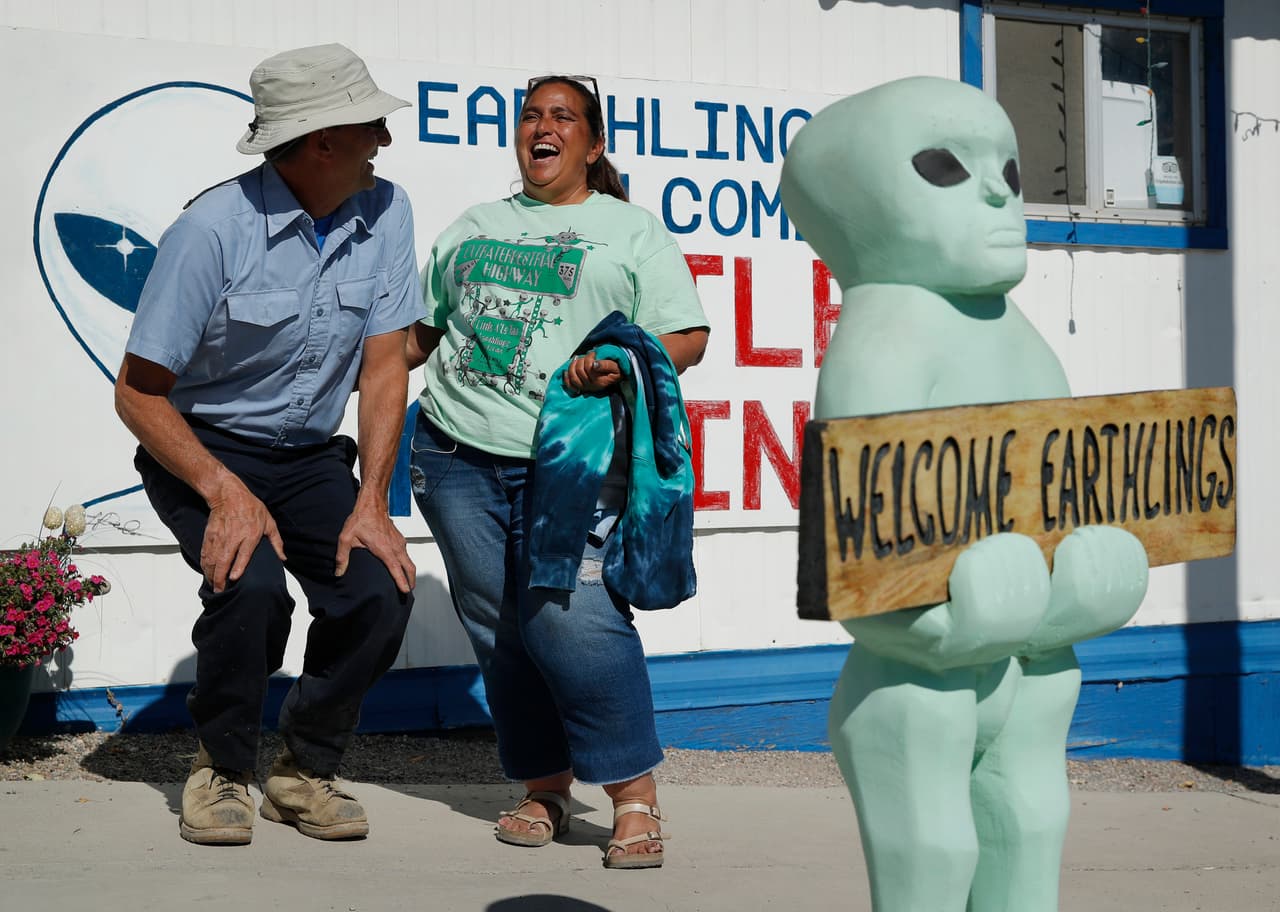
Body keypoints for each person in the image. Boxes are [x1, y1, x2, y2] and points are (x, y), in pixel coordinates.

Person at [114, 43, 423, 846]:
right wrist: (222, 489)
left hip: (310, 455)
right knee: (251, 591)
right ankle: (220, 768)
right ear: (322, 142)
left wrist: (371, 504)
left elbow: (386, 367)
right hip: (201, 445)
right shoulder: (211, 230)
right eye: (369, 128)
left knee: (379, 591)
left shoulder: (388, 212)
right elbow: (138, 393)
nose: (382, 143)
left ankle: (302, 769)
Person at [406, 74, 709, 869]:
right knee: (499, 629)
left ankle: (634, 800)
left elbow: (686, 336)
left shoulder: (631, 230)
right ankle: (545, 789)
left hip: (572, 462)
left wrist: (618, 359)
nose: (543, 126)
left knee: (572, 618)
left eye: (562, 116)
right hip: (455, 452)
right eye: (531, 115)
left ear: (593, 142)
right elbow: (419, 336)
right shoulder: (474, 225)